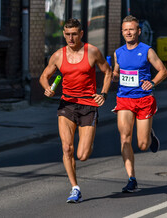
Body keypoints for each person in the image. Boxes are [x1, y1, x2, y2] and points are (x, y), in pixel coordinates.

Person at [39, 18, 112, 203]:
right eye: (67, 34)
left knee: (83, 155)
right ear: (64, 34)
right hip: (67, 105)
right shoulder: (58, 55)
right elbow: (44, 76)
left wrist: (103, 94)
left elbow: (108, 71)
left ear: (81, 34)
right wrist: (47, 88)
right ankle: (75, 187)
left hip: (88, 105)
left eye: (74, 34)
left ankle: (89, 142)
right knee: (66, 147)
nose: (71, 38)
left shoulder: (92, 52)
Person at [112, 15, 167, 192]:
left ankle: (149, 135)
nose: (128, 32)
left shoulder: (146, 50)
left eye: (131, 29)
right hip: (124, 99)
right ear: (122, 32)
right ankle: (131, 178)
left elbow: (163, 71)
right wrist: (112, 75)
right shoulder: (118, 53)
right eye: (125, 30)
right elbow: (116, 73)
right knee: (124, 138)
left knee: (142, 145)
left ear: (138, 31)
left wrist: (152, 82)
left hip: (143, 100)